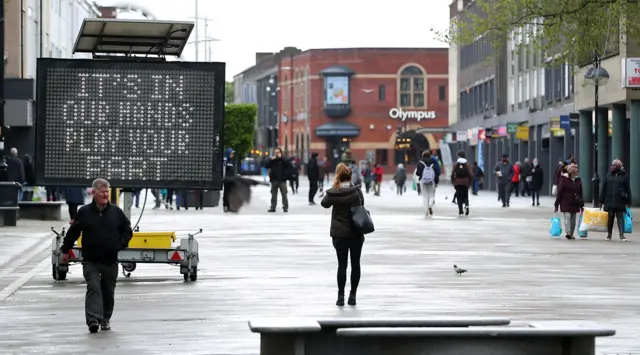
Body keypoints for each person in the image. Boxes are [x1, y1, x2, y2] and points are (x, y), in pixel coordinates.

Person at [59, 178, 133, 333]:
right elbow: (73, 233)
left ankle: (105, 318)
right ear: (94, 193)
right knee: (93, 286)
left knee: (108, 290)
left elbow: (128, 231)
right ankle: (93, 320)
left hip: (110, 260)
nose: (106, 194)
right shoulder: (84, 212)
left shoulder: (116, 212)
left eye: (107, 191)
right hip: (90, 259)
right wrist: (65, 251)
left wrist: (119, 245)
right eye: (102, 192)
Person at [321, 163, 365, 307]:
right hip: (355, 233)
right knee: (355, 264)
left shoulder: (334, 192)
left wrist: (335, 185)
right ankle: (353, 296)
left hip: (339, 235)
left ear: (338, 176)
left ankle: (340, 297)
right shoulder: (356, 192)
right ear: (350, 176)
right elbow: (362, 204)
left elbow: (324, 203)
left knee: (342, 265)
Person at [600, 159, 631, 241]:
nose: (611, 167)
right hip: (609, 200)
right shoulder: (608, 176)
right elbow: (603, 188)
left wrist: (628, 201)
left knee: (620, 217)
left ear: (618, 167)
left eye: (613, 165)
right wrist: (601, 200)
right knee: (610, 218)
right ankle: (609, 234)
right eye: (611, 165)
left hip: (620, 200)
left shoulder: (624, 176)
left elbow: (628, 189)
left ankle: (621, 234)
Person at [554, 164, 584, 239]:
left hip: (575, 202)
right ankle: (568, 232)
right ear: (571, 172)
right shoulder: (564, 179)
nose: (576, 173)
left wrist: (581, 205)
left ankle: (571, 234)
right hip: (565, 202)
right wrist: (556, 204)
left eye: (577, 172)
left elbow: (580, 193)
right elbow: (560, 192)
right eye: (575, 172)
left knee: (573, 220)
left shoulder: (578, 180)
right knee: (567, 217)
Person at [416, 150, 440, 216]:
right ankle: (430, 205)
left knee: (425, 196)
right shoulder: (434, 162)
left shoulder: (420, 162)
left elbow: (418, 173)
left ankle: (426, 210)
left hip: (423, 181)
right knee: (431, 194)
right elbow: (437, 173)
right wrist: (436, 182)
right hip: (432, 181)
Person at [266, 148, 291, 213]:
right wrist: (270, 160)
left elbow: (288, 164)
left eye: (278, 152)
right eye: (275, 152)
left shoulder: (284, 159)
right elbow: (266, 165)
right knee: (273, 194)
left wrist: (281, 158)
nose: (276, 154)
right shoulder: (273, 160)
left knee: (284, 194)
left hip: (282, 180)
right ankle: (273, 207)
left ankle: (285, 207)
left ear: (280, 153)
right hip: (274, 180)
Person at [451, 151, 473, 216]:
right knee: (466, 195)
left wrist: (453, 181)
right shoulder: (467, 164)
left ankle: (460, 210)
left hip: (458, 182)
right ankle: (467, 206)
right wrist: (470, 181)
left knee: (459, 196)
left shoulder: (455, 164)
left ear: (458, 156)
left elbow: (452, 174)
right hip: (465, 182)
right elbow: (471, 174)